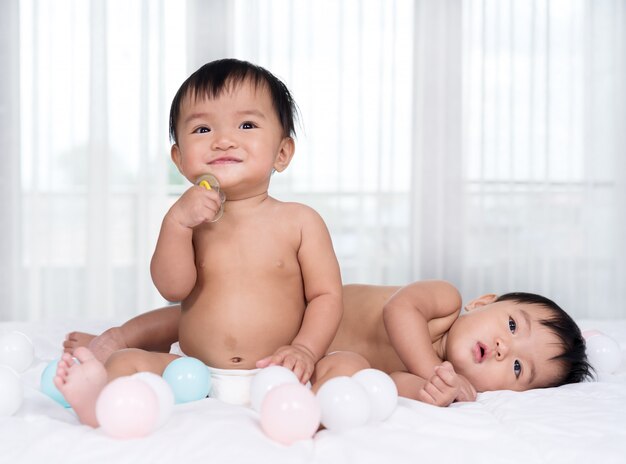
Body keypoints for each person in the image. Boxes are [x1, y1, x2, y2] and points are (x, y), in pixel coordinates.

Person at [54, 58, 344, 427]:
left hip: (281, 370)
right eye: (203, 128)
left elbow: (326, 296)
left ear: (282, 153)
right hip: (195, 373)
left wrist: (305, 349)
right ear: (179, 158)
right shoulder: (190, 223)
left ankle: (317, 411)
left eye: (247, 124)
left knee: (345, 365)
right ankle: (95, 404)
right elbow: (173, 288)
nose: (223, 139)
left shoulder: (301, 221)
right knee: (125, 363)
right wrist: (176, 223)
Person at [63, 280, 592, 409]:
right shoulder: (444, 301)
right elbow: (396, 311)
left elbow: (391, 385)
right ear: (485, 300)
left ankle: (137, 362)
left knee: (201, 363)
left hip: (282, 356)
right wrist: (432, 367)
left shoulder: (433, 374)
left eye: (519, 369)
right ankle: (117, 337)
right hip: (288, 313)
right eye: (514, 327)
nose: (504, 349)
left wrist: (432, 391)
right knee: (195, 313)